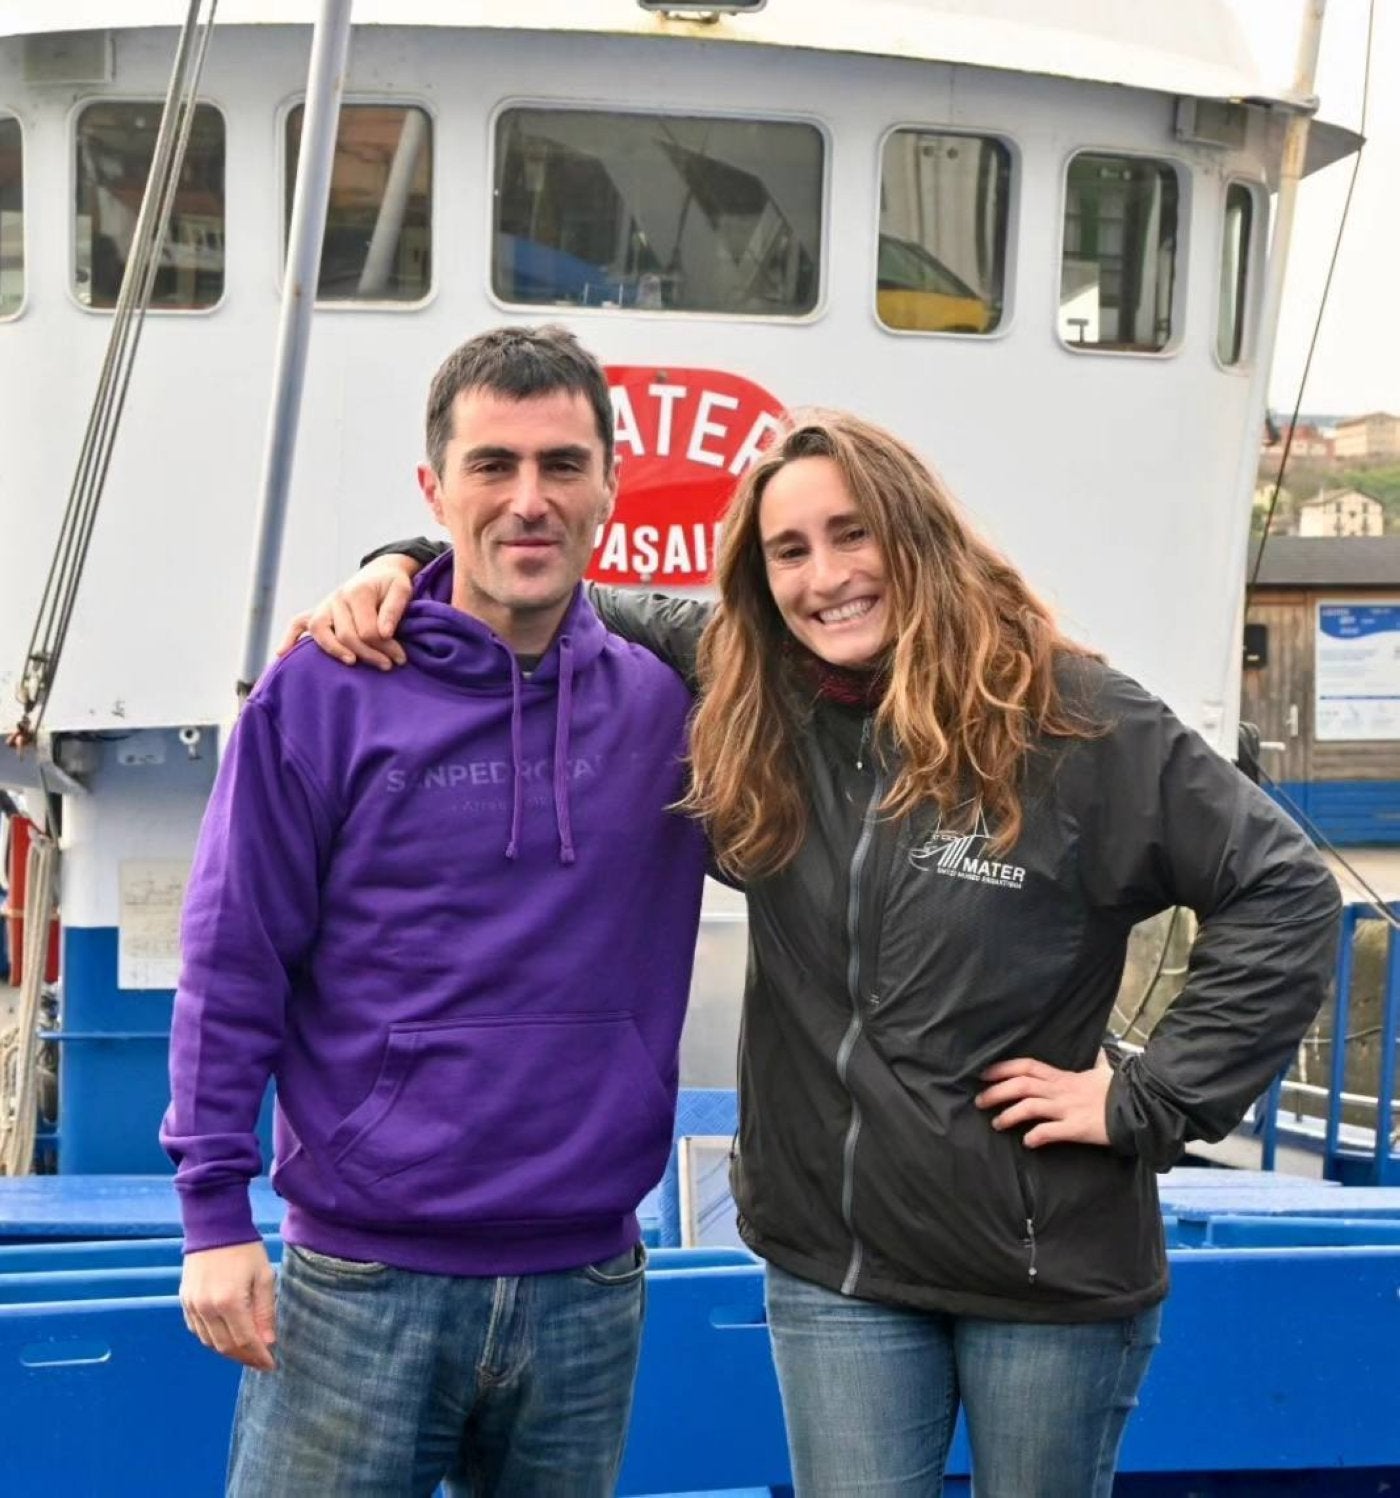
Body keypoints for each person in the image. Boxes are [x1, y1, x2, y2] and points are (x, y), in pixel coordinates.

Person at [293, 409, 1340, 1497]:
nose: (823, 576)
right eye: (788, 551)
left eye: (851, 535)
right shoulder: (760, 681)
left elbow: (1281, 890)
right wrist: (407, 562)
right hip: (834, 1272)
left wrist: (1146, 1098)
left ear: (916, 533)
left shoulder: (1072, 720)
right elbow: (570, 594)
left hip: (1042, 1271)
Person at [163, 324, 709, 1496]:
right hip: (362, 1284)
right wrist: (213, 1213)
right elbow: (232, 956)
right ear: (433, 488)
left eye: (563, 465)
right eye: (492, 466)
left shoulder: (671, 708)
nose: (529, 500)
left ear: (609, 488)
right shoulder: (324, 691)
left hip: (587, 1283)